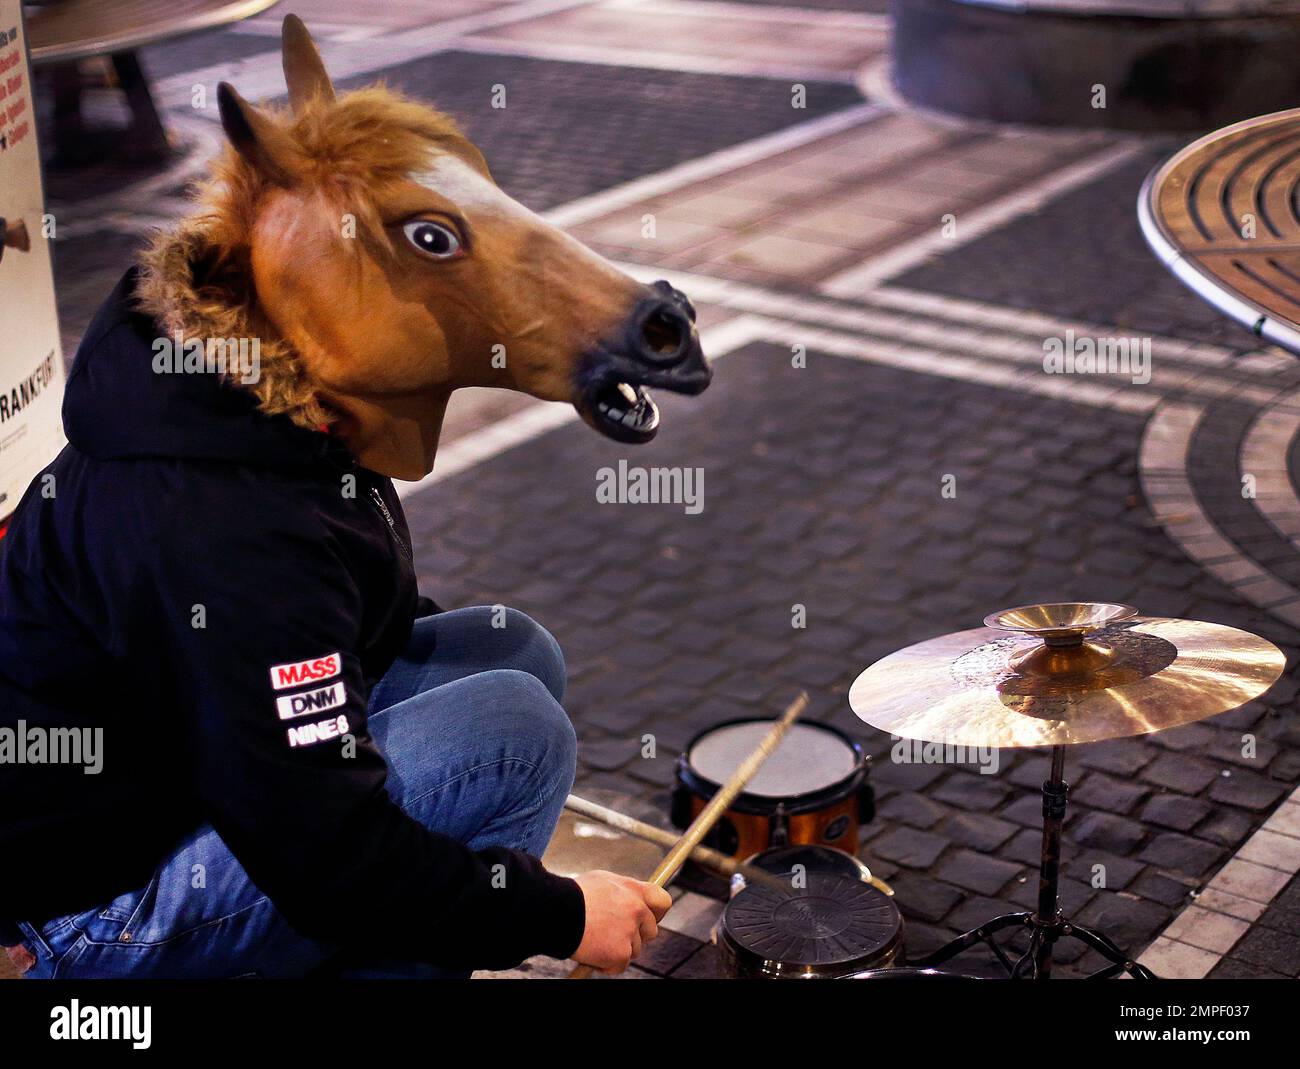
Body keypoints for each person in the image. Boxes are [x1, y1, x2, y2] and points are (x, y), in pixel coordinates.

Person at [0, 267, 670, 978]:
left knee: (518, 652)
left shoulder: (261, 405)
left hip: (174, 771)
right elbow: (322, 851)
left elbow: (323, 627)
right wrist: (562, 915)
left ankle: (389, 930)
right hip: (94, 903)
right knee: (520, 735)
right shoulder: (234, 527)